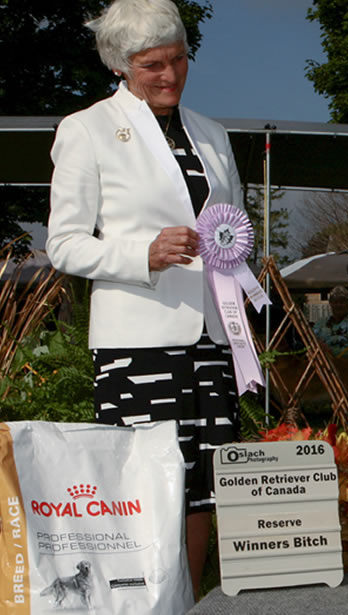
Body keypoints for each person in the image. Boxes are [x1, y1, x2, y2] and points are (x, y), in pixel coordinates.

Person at [45, 0, 243, 598]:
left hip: (212, 336)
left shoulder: (213, 132)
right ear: (120, 66)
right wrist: (141, 255)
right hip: (139, 345)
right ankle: (148, 604)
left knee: (205, 486)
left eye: (180, 59)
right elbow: (65, 245)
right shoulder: (86, 129)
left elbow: (229, 227)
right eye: (152, 64)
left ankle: (196, 603)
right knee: (148, 487)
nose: (170, 75)